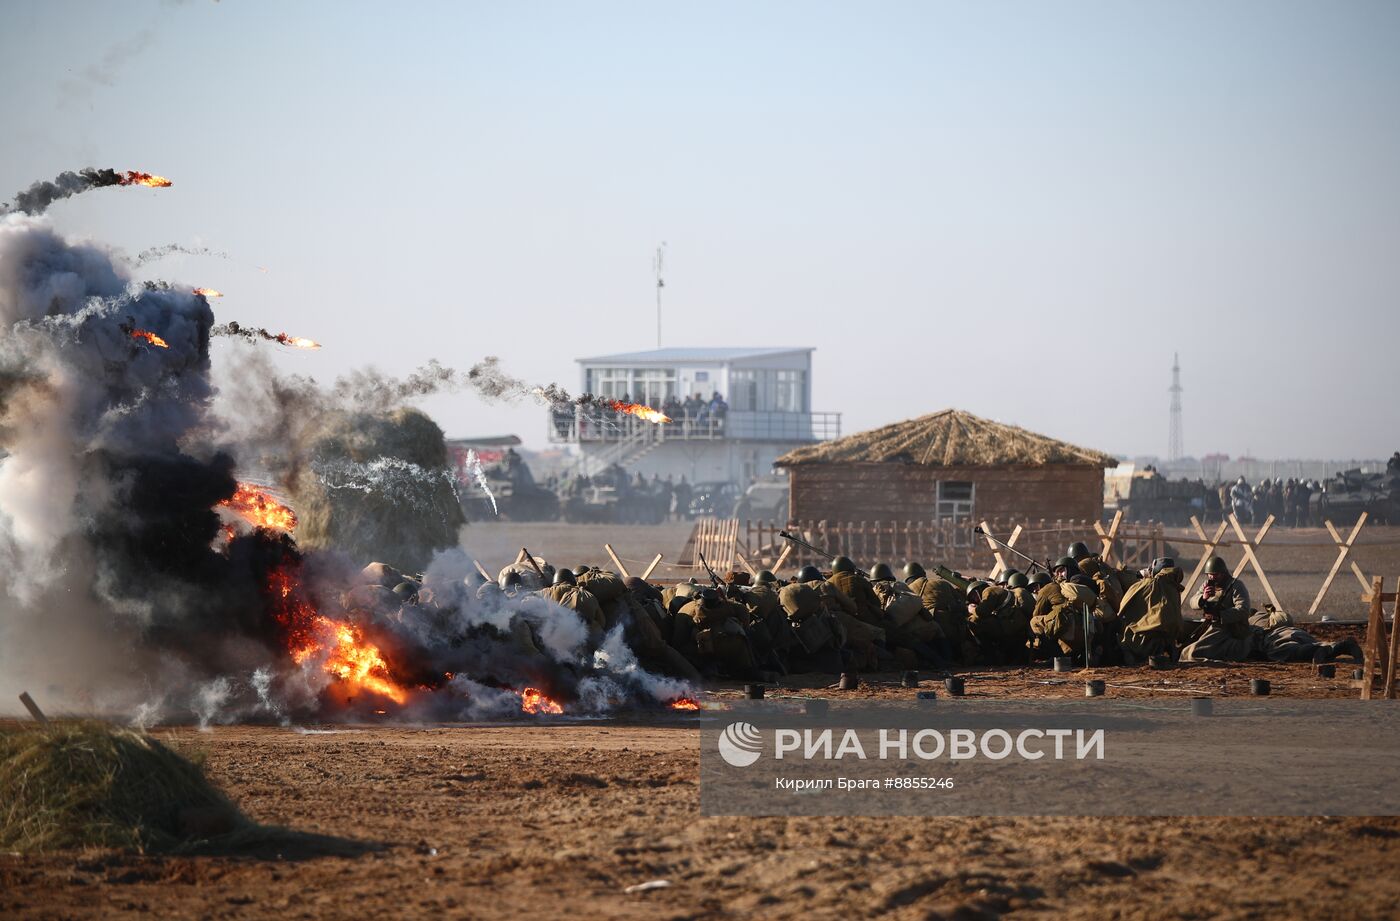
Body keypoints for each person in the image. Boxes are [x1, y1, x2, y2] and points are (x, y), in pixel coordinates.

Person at [1180, 556, 1252, 661]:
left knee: (1193, 652)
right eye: (1210, 575)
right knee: (1180, 627)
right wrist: (1203, 598)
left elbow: (1243, 610)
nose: (1212, 578)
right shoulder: (1206, 585)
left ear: (1223, 573)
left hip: (1227, 627)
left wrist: (1220, 615)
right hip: (1208, 623)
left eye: (1215, 575)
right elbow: (1192, 602)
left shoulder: (1236, 586)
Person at [1117, 558, 1185, 663]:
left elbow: (1121, 609)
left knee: (1119, 638)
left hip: (1143, 641)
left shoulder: (1145, 585)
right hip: (1169, 640)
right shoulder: (1174, 587)